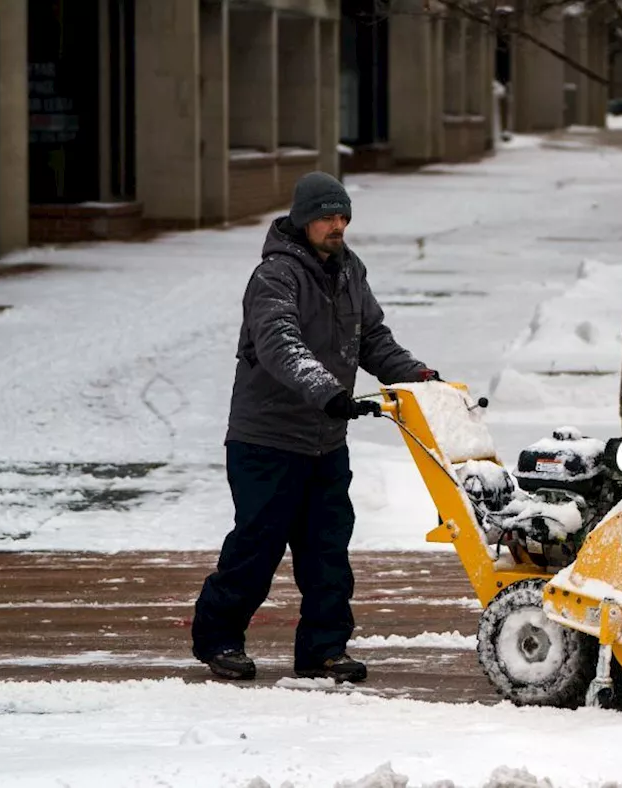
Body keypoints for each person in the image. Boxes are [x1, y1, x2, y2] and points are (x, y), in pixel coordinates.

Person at [191, 171, 440, 683]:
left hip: (326, 440)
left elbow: (371, 337)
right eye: (328, 216)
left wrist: (417, 376)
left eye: (343, 215)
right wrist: (327, 391)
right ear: (304, 219)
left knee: (328, 549)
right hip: (267, 440)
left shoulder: (350, 270)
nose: (338, 225)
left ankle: (324, 650)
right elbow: (280, 344)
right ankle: (218, 639)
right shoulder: (274, 277)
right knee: (256, 547)